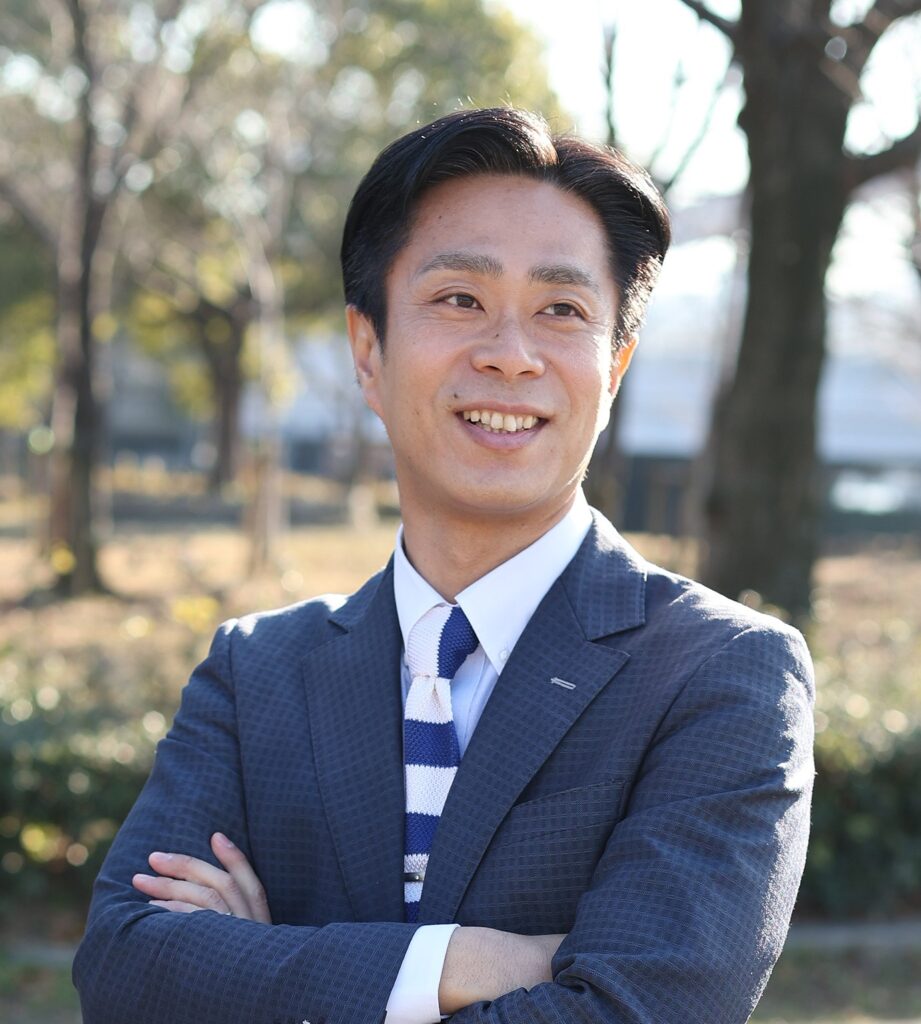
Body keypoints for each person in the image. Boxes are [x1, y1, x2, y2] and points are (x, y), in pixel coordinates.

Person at [73, 107, 814, 1024]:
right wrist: (460, 963)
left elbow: (636, 1013)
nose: (510, 356)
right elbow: (125, 972)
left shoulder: (718, 674)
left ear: (614, 367)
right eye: (460, 299)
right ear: (368, 350)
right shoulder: (254, 673)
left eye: (561, 310)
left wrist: (260, 969)